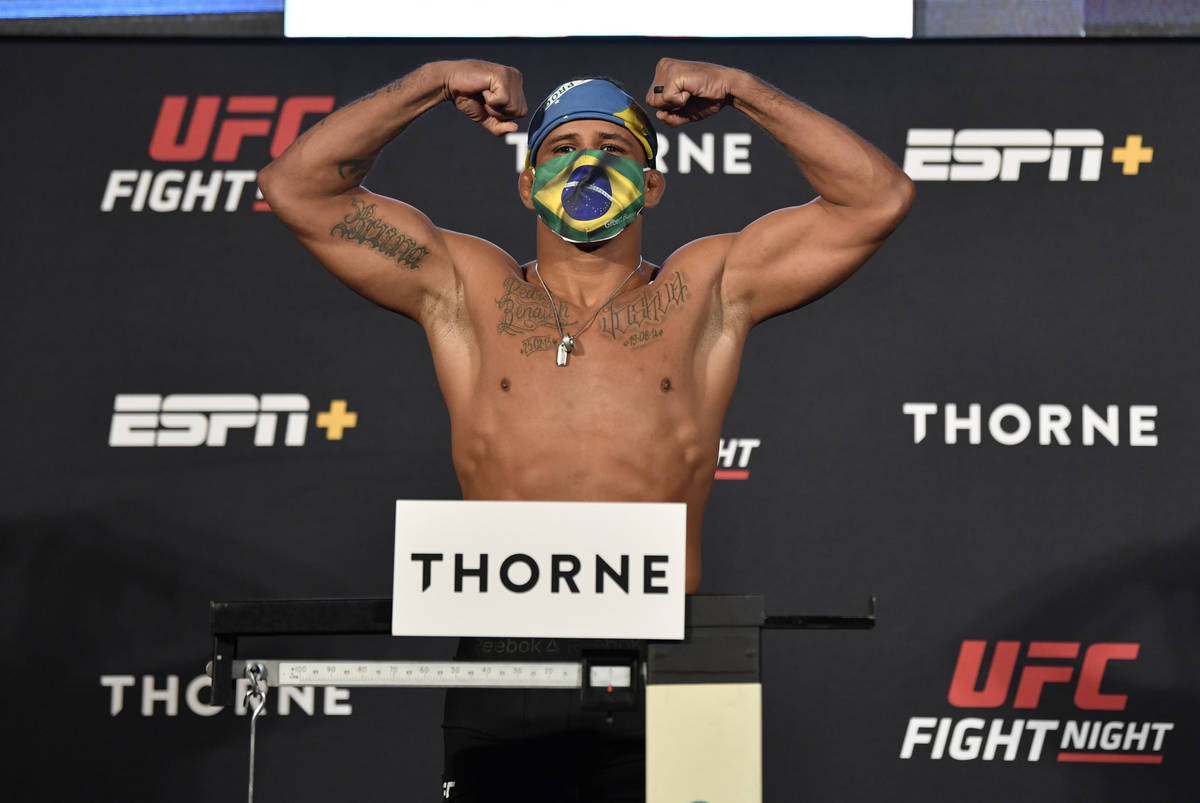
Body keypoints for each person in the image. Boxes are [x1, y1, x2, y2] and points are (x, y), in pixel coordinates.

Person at [258, 57, 913, 801]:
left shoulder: (707, 288)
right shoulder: (465, 287)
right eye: (562, 150)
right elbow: (297, 186)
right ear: (525, 182)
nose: (588, 163)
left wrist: (744, 90)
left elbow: (875, 199)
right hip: (505, 651)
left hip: (671, 645)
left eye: (614, 148)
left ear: (655, 184)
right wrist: (435, 80)